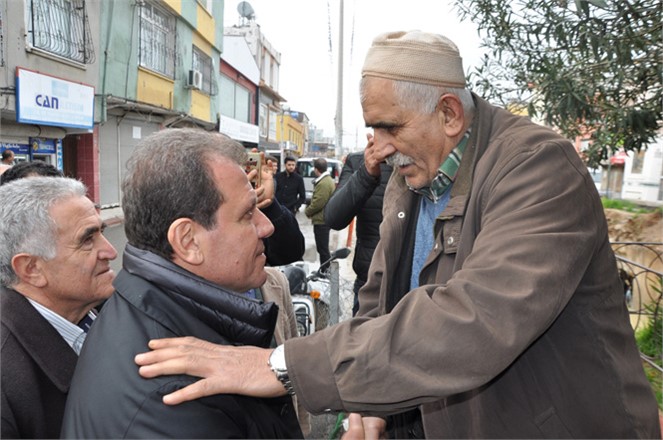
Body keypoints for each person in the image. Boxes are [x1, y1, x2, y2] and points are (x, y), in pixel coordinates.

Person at [134, 31, 661, 438]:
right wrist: (365, 395)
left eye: (390, 127)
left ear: (449, 114)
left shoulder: (537, 168)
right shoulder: (414, 175)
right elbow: (377, 302)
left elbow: (476, 320)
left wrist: (285, 364)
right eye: (372, 130)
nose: (379, 148)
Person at [60, 128, 302, 439]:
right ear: (188, 240)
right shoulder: (174, 394)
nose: (266, 226)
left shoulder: (153, 311)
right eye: (246, 214)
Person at [0, 177, 117, 439]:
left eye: (102, 232)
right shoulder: (6, 382)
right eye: (87, 240)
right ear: (32, 269)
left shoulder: (116, 313)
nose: (110, 252)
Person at [324, 145, 392, 316]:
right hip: (369, 285)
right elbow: (334, 217)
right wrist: (367, 174)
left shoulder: (422, 158)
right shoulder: (359, 161)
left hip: (418, 287)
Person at [304, 157, 336, 274]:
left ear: (316, 169)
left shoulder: (324, 183)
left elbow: (318, 202)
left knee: (322, 248)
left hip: (321, 220)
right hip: (323, 218)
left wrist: (307, 211)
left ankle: (325, 271)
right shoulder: (326, 180)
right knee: (322, 248)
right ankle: (324, 270)